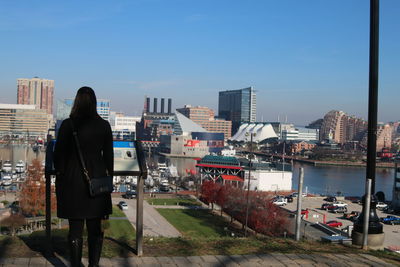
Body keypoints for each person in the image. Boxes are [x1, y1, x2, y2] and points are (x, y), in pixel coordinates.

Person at [54, 87, 113, 267]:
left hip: (73, 182)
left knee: (75, 230)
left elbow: (58, 157)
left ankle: (75, 264)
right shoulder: (104, 125)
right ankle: (94, 264)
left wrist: (62, 174)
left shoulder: (67, 125)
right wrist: (107, 179)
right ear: (94, 102)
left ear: (77, 101)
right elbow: (109, 158)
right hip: (97, 183)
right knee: (95, 230)